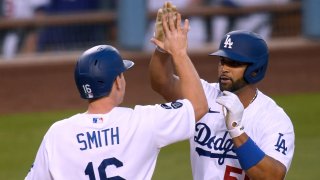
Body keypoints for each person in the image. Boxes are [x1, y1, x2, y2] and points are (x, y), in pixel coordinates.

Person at [25, 12, 208, 180]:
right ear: (117, 82)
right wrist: (179, 53)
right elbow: (199, 106)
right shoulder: (142, 122)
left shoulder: (57, 134)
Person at [150, 29, 295, 179]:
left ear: (254, 70)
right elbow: (163, 83)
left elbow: (273, 176)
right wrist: (162, 49)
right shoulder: (202, 95)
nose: (224, 68)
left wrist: (236, 130)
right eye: (222, 61)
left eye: (233, 63)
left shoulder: (273, 118)